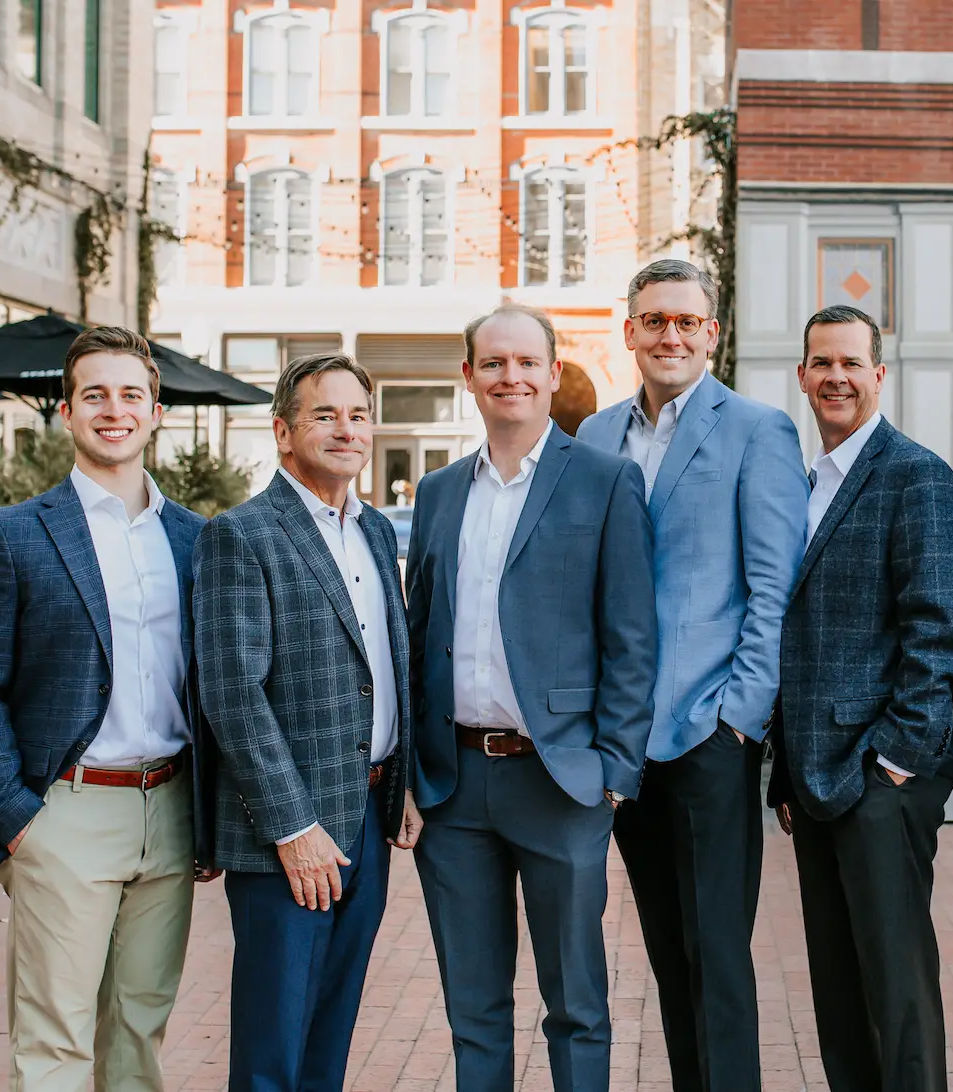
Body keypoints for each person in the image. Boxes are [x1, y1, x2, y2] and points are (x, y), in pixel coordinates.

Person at [0, 326, 215, 1091]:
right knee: (55, 1045)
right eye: (94, 395)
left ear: (155, 411)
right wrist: (14, 815)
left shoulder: (194, 540)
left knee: (137, 1034)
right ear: (67, 412)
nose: (114, 410)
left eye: (131, 394)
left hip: (169, 813)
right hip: (64, 813)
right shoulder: (17, 535)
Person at [403, 304, 658, 1092]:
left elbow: (631, 635)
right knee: (472, 1007)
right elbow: (419, 637)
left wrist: (615, 768)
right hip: (455, 788)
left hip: (562, 779)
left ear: (553, 375)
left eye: (525, 363)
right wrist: (415, 770)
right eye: (493, 363)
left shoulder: (608, 480)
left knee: (576, 1003)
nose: (509, 377)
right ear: (470, 377)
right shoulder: (440, 491)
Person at [576, 259, 807, 1092]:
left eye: (686, 321)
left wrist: (739, 719)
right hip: (620, 748)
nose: (668, 335)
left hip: (710, 734)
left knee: (717, 957)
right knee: (670, 957)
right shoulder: (594, 438)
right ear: (629, 330)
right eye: (653, 320)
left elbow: (775, 588)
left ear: (714, 332)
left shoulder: (757, 430)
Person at [193, 352, 418, 1091]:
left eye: (357, 414)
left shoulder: (378, 532)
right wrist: (293, 829)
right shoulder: (242, 535)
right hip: (286, 835)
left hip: (367, 818)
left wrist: (404, 779)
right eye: (325, 414)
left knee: (330, 1036)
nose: (346, 429)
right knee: (272, 1050)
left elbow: (387, 665)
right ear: (284, 432)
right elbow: (233, 693)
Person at [767, 305, 953, 1092]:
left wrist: (892, 764)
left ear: (879, 376)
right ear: (803, 377)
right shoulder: (803, 483)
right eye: (822, 364)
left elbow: (937, 634)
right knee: (838, 988)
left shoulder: (915, 474)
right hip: (817, 782)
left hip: (879, 780)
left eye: (852, 363)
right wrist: (789, 771)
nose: (836, 378)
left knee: (896, 988)